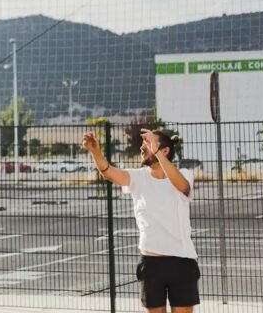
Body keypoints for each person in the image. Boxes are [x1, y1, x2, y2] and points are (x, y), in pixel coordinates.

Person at [82, 128, 200, 313]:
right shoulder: (138, 177)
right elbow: (109, 173)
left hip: (181, 261)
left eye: (147, 145)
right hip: (151, 263)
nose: (141, 148)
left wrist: (157, 151)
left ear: (165, 150)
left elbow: (182, 187)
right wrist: (95, 152)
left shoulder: (184, 174)